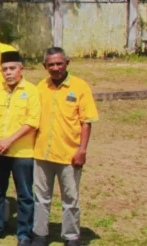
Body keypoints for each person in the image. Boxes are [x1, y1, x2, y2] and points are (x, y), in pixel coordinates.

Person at [31, 47, 98, 246]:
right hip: (42, 153)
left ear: (67, 63)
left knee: (70, 198)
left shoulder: (80, 87)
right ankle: (40, 234)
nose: (55, 68)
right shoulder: (40, 87)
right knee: (41, 197)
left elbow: (87, 121)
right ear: (45, 66)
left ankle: (71, 236)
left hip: (69, 154)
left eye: (59, 63)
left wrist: (82, 150)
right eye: (51, 64)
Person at [0, 51, 40, 245]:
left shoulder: (31, 91)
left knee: (24, 194)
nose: (8, 72)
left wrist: (9, 141)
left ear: (21, 69)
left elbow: (32, 122)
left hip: (22, 152)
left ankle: (24, 233)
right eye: (5, 69)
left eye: (12, 68)